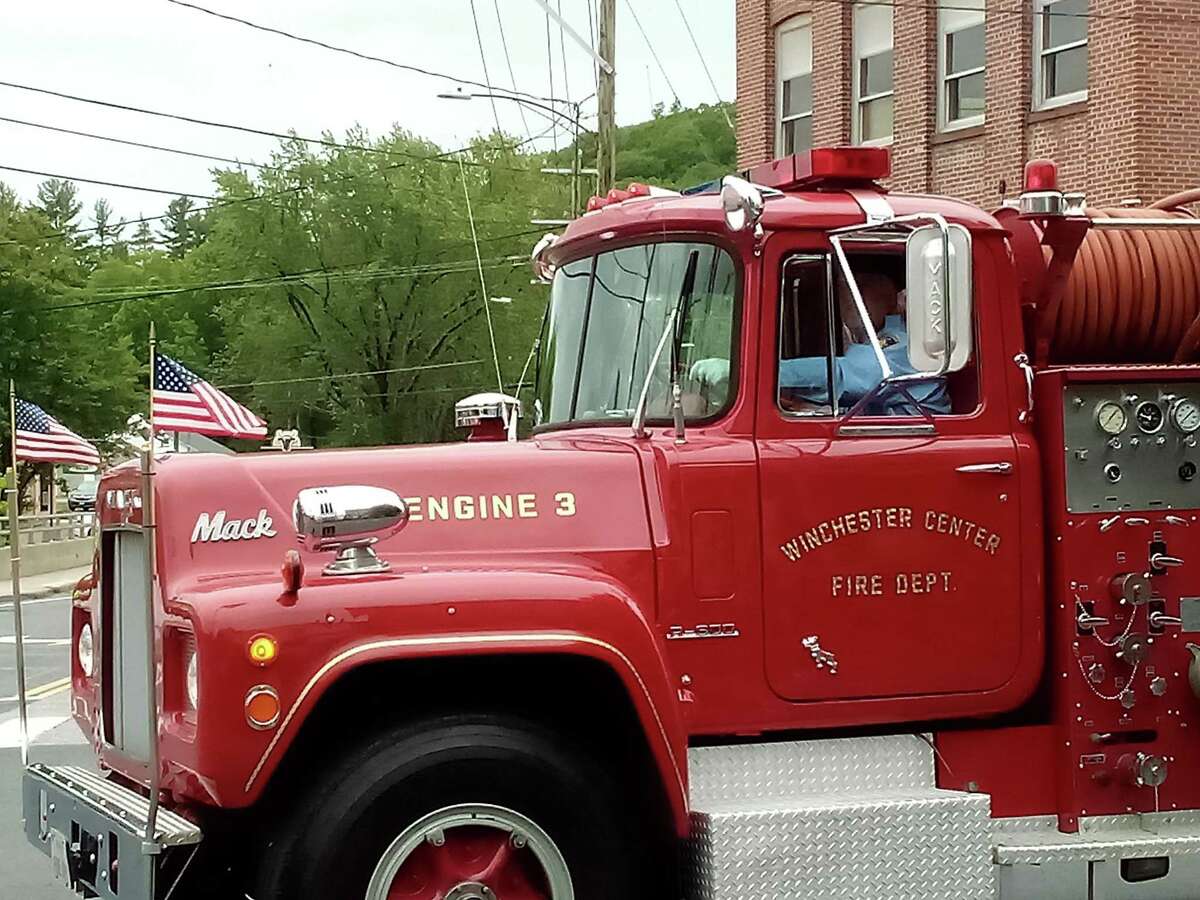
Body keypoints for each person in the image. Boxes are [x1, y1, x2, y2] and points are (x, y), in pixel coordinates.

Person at [690, 271, 950, 415]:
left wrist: (747, 374)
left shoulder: (904, 344)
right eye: (843, 294)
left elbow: (843, 376)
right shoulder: (876, 339)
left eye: (851, 293)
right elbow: (870, 404)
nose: (844, 304)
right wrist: (816, 409)